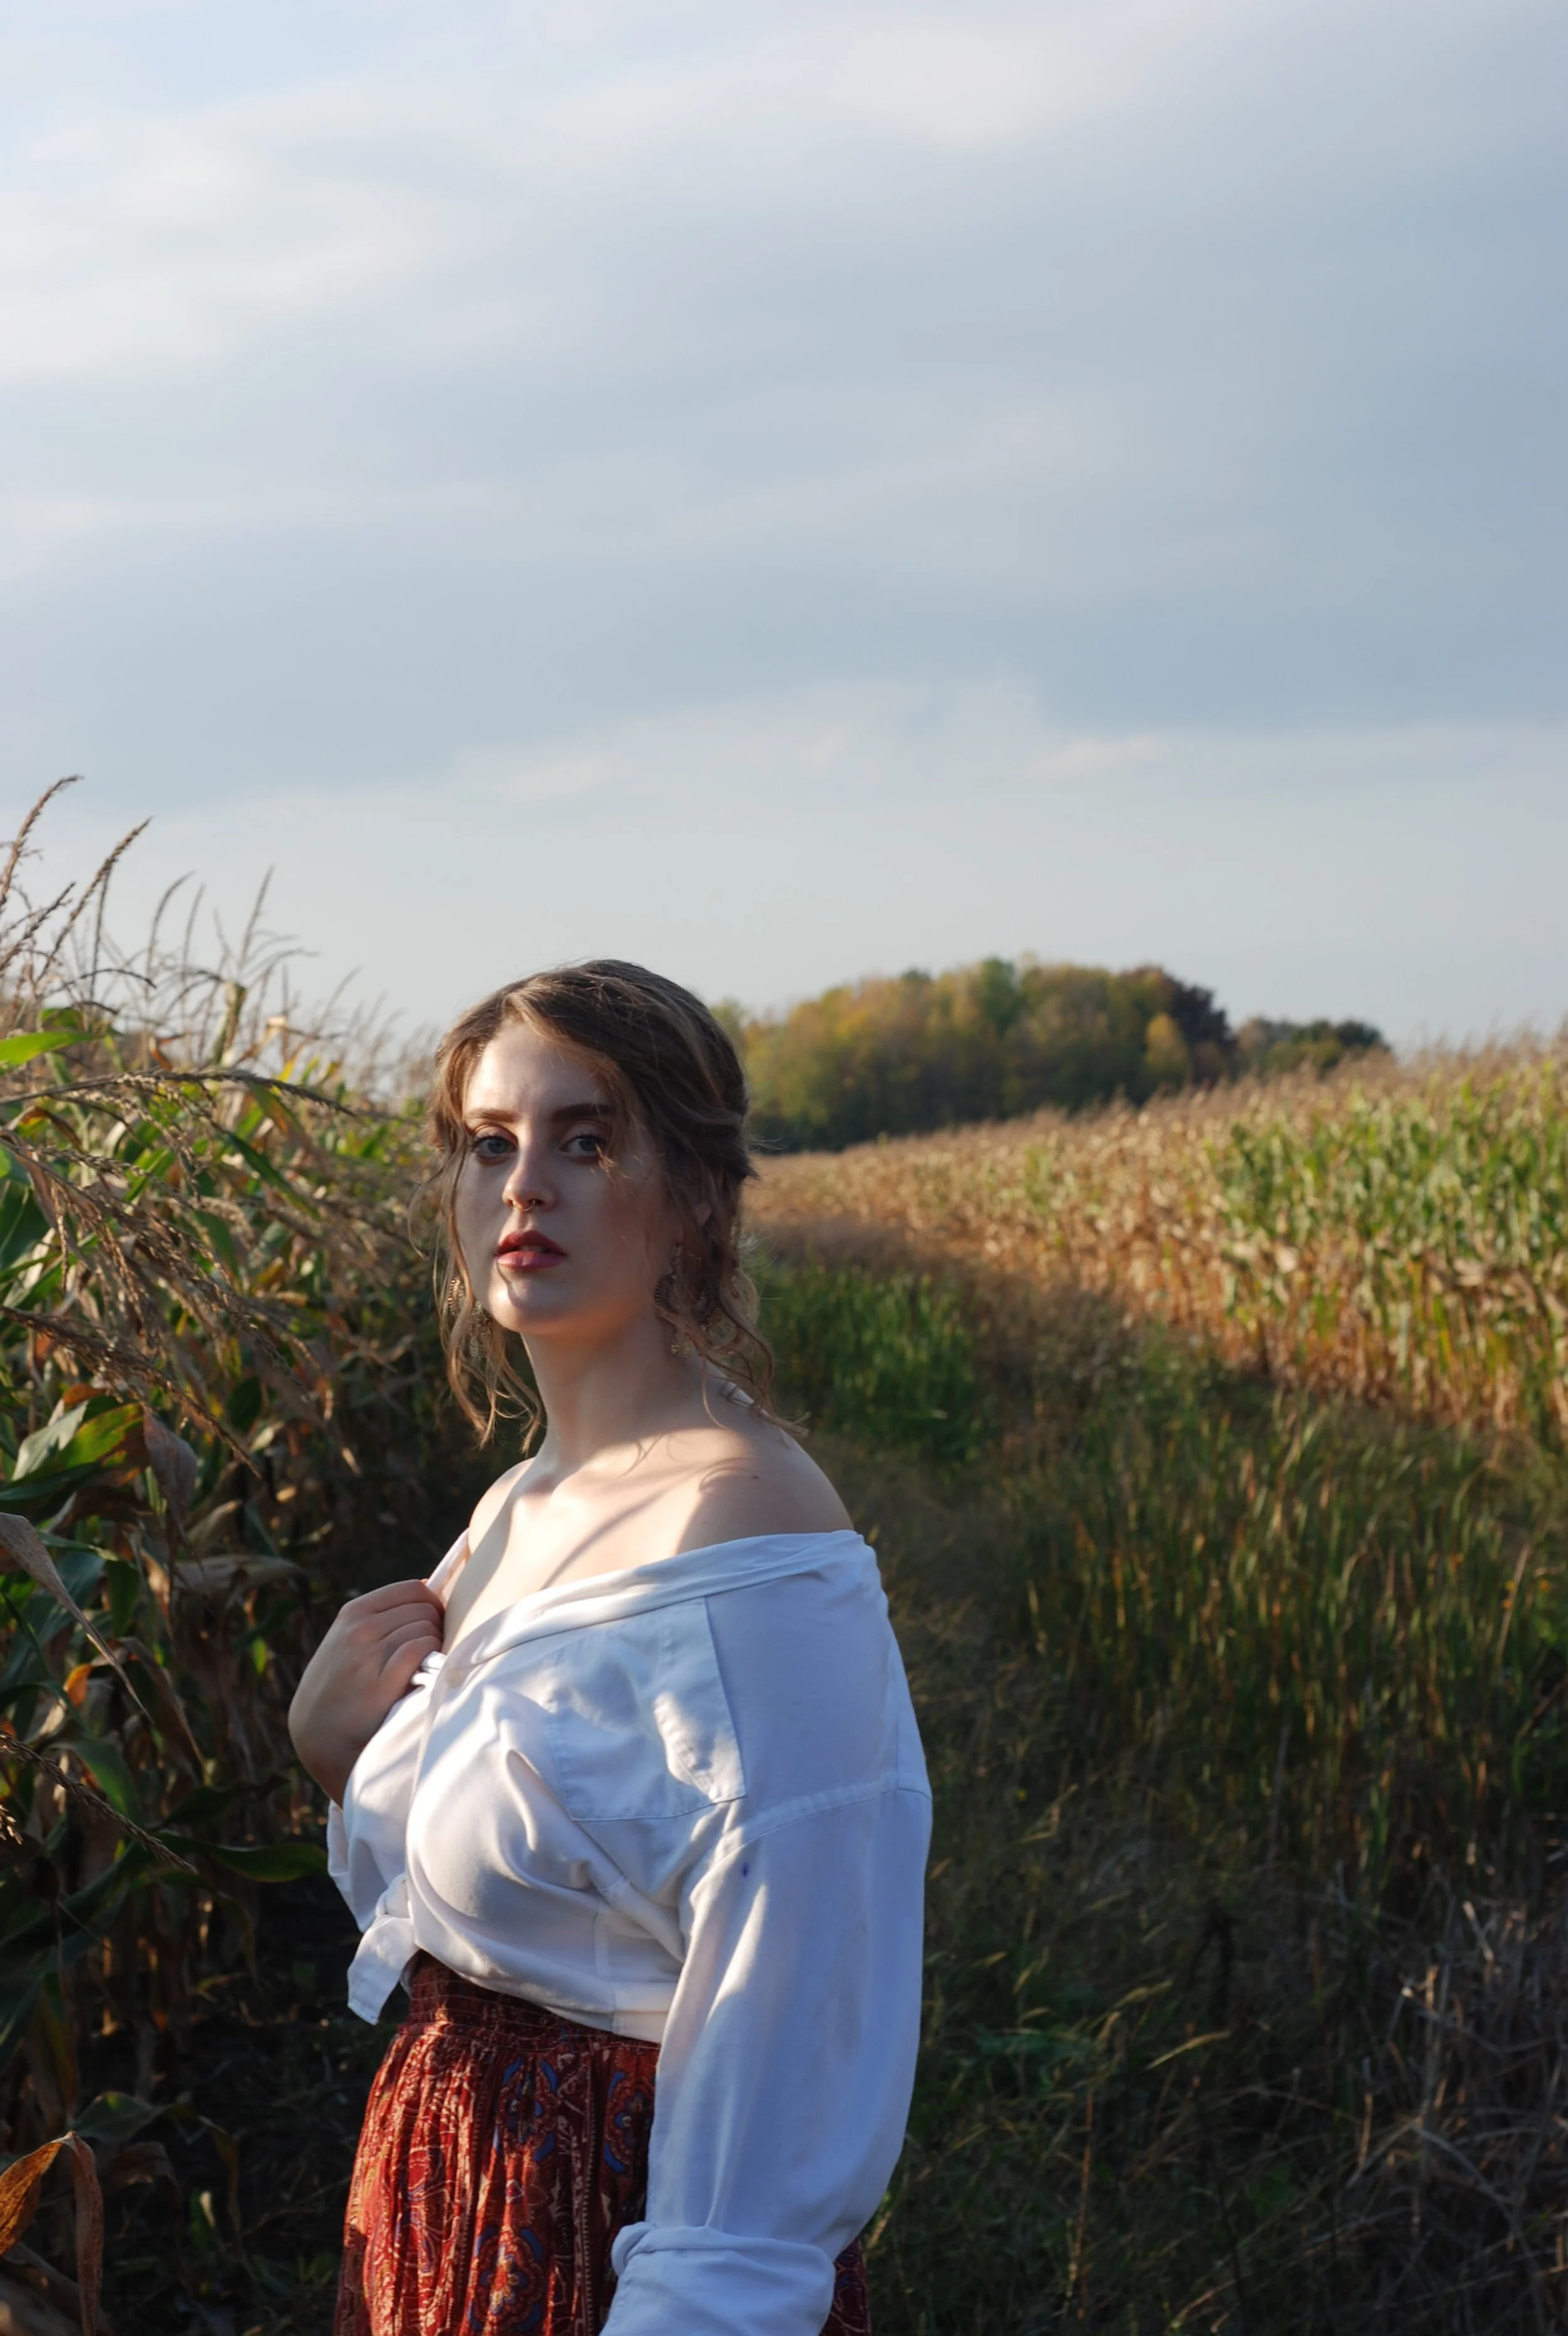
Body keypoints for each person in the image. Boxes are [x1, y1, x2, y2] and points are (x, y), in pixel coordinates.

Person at [287, 961, 932, 2336]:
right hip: (444, 2211)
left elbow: (780, 2094)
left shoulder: (748, 1547)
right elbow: (489, 1912)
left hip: (601, 2248)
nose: (525, 1184)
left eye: (585, 1139)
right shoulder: (517, 1508)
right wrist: (338, 1760)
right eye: (490, 1143)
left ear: (694, 1191)